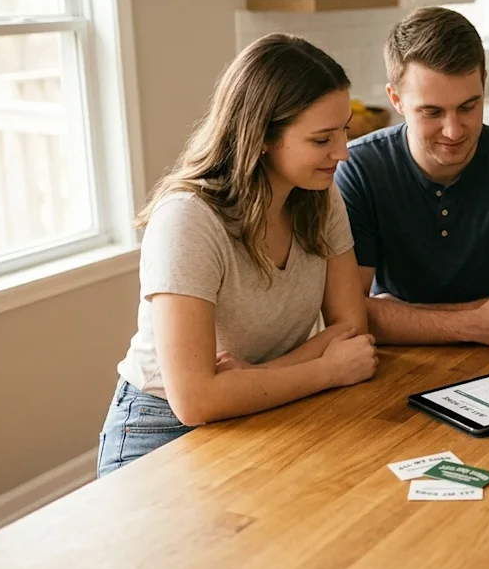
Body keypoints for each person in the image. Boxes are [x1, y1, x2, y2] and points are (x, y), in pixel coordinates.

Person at [97, 34, 378, 477]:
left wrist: (249, 381)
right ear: (262, 136)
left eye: (343, 129)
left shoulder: (321, 197)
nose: (342, 151)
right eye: (322, 138)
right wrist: (324, 371)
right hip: (160, 429)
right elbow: (194, 400)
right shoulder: (188, 219)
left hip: (266, 408)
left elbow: (350, 330)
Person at [335, 6, 489, 346]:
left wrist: (394, 312)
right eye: (432, 112)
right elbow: (348, 320)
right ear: (396, 99)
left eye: (468, 106)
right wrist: (475, 320)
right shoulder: (359, 168)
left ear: (484, 83)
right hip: (397, 368)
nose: (454, 130)